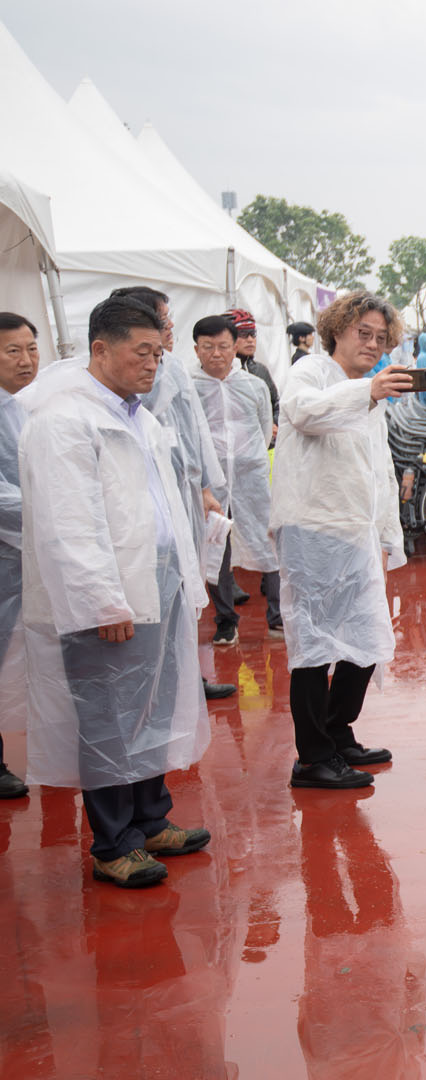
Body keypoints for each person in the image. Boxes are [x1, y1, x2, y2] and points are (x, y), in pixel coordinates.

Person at [18, 296, 211, 887]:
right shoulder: (64, 419)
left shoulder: (136, 415)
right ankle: (113, 843)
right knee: (109, 716)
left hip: (157, 582)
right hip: (111, 595)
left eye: (158, 353)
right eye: (141, 352)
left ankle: (150, 820)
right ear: (100, 349)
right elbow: (68, 524)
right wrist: (101, 599)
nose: (152, 364)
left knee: (151, 706)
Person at [270, 292, 409, 790]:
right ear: (336, 331)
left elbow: (380, 471)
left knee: (364, 637)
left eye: (380, 338)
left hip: (357, 533)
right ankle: (312, 757)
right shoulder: (311, 371)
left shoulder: (372, 394)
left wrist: (387, 536)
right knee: (313, 647)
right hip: (314, 531)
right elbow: (304, 413)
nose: (372, 344)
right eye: (362, 333)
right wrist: (367, 392)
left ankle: (337, 730)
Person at [109, 286, 236, 700]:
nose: (171, 328)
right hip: (151, 500)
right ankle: (163, 684)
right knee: (154, 593)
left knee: (184, 590)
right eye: (164, 321)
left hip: (184, 493)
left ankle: (187, 679)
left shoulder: (174, 368)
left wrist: (203, 485)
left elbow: (193, 431)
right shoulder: (131, 377)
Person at [191, 315, 281, 645]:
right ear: (197, 350)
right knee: (218, 546)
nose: (216, 353)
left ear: (234, 348)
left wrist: (248, 459)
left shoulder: (254, 385)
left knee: (268, 540)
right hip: (210, 483)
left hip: (250, 477)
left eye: (223, 346)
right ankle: (226, 620)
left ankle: (277, 616)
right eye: (208, 347)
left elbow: (264, 428)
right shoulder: (189, 387)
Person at [0, 312, 39, 797]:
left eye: (31, 348)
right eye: (13, 351)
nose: (26, 360)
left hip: (25, 552)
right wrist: (49, 507)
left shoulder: (26, 406)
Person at [226, 308, 278, 435]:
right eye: (243, 334)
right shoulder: (222, 373)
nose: (250, 339)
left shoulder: (261, 370)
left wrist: (274, 423)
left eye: (253, 333)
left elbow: (276, 404)